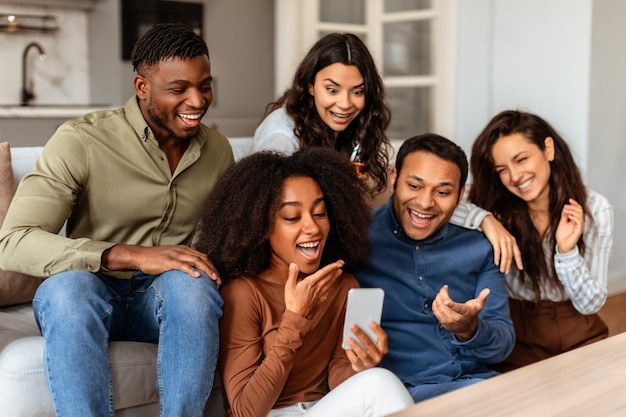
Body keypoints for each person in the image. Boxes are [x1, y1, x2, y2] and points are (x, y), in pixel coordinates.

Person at [0, 23, 233, 416]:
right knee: (68, 290)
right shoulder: (82, 140)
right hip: (90, 292)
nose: (197, 100)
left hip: (160, 301)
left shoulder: (218, 151)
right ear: (142, 87)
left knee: (193, 287)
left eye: (204, 85)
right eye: (179, 89)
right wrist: (130, 255)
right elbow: (13, 242)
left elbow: (228, 238)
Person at [253, 32, 522, 274]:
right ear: (310, 86)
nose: (345, 103)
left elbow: (417, 192)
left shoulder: (348, 130)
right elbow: (268, 223)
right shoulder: (282, 137)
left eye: (357, 91)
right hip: (290, 265)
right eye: (332, 89)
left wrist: (483, 218)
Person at [192, 148, 414, 417]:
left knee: (378, 380)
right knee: (381, 384)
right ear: (260, 226)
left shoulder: (342, 286)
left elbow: (339, 379)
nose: (313, 228)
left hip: (322, 409)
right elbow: (246, 411)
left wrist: (361, 367)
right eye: (292, 217)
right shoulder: (243, 292)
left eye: (320, 213)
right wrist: (295, 319)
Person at [356, 133, 515, 402]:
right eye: (415, 186)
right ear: (395, 179)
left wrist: (469, 329)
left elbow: (502, 347)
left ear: (460, 194)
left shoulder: (480, 245)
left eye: (442, 192)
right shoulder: (358, 240)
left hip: (481, 386)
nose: (426, 203)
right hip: (403, 395)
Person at [468, 110, 613, 371]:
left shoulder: (596, 208)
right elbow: (447, 204)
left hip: (578, 325)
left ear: (547, 148)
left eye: (521, 159)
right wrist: (485, 219)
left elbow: (591, 303)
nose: (514, 176)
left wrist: (567, 252)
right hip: (520, 329)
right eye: (502, 169)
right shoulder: (494, 208)